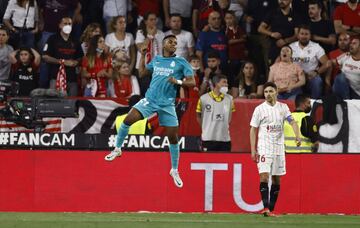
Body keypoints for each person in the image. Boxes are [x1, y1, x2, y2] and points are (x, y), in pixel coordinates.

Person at [104, 35, 195, 188]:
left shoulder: (181, 62)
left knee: (173, 138)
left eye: (175, 43)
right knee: (127, 121)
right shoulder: (157, 60)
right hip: (150, 100)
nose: (173, 44)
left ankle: (174, 170)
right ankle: (117, 149)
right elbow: (142, 72)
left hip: (167, 104)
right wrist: (142, 54)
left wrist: (178, 81)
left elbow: (192, 82)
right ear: (164, 44)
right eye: (170, 42)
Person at [250, 82, 301, 216]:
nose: (268, 94)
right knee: (264, 176)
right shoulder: (259, 109)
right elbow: (253, 129)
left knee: (276, 180)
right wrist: (253, 150)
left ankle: (271, 209)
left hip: (279, 149)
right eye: (266, 92)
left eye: (270, 91)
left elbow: (292, 122)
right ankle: (265, 208)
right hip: (264, 148)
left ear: (276, 92)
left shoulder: (283, 108)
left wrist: (297, 136)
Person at [42, 16, 83, 96]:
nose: (67, 26)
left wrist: (76, 62)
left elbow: (80, 56)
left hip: (72, 79)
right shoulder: (52, 39)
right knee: (54, 103)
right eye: (65, 23)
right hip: (56, 77)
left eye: (69, 24)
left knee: (72, 104)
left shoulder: (75, 40)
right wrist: (62, 62)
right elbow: (45, 57)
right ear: (60, 25)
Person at [289, 24, 330, 98]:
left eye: (306, 34)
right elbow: (282, 62)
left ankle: (315, 104)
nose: (304, 36)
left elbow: (327, 63)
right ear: (298, 35)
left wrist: (316, 72)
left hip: (311, 76)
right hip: (296, 77)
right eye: (302, 34)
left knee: (317, 81)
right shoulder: (291, 47)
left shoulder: (316, 47)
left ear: (310, 36)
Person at [196, 74, 235, 151]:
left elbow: (230, 117)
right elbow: (198, 116)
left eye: (227, 82)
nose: (226, 84)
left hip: (225, 139)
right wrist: (205, 128)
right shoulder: (203, 98)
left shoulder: (230, 99)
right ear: (216, 84)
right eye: (224, 82)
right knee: (207, 162)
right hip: (208, 138)